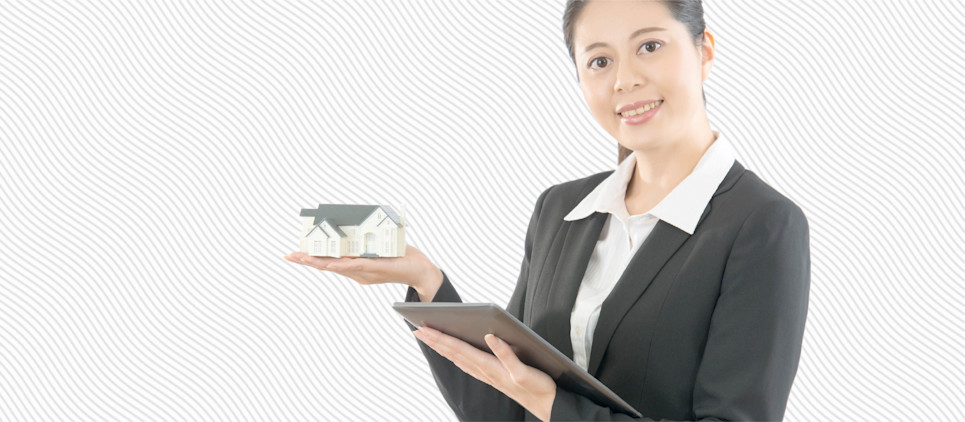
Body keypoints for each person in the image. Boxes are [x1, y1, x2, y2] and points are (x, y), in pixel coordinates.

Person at [285, 0, 811, 420]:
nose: (624, 79)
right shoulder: (561, 209)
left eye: (649, 46)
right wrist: (427, 284)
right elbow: (502, 406)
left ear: (705, 51)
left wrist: (551, 404)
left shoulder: (761, 224)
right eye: (599, 60)